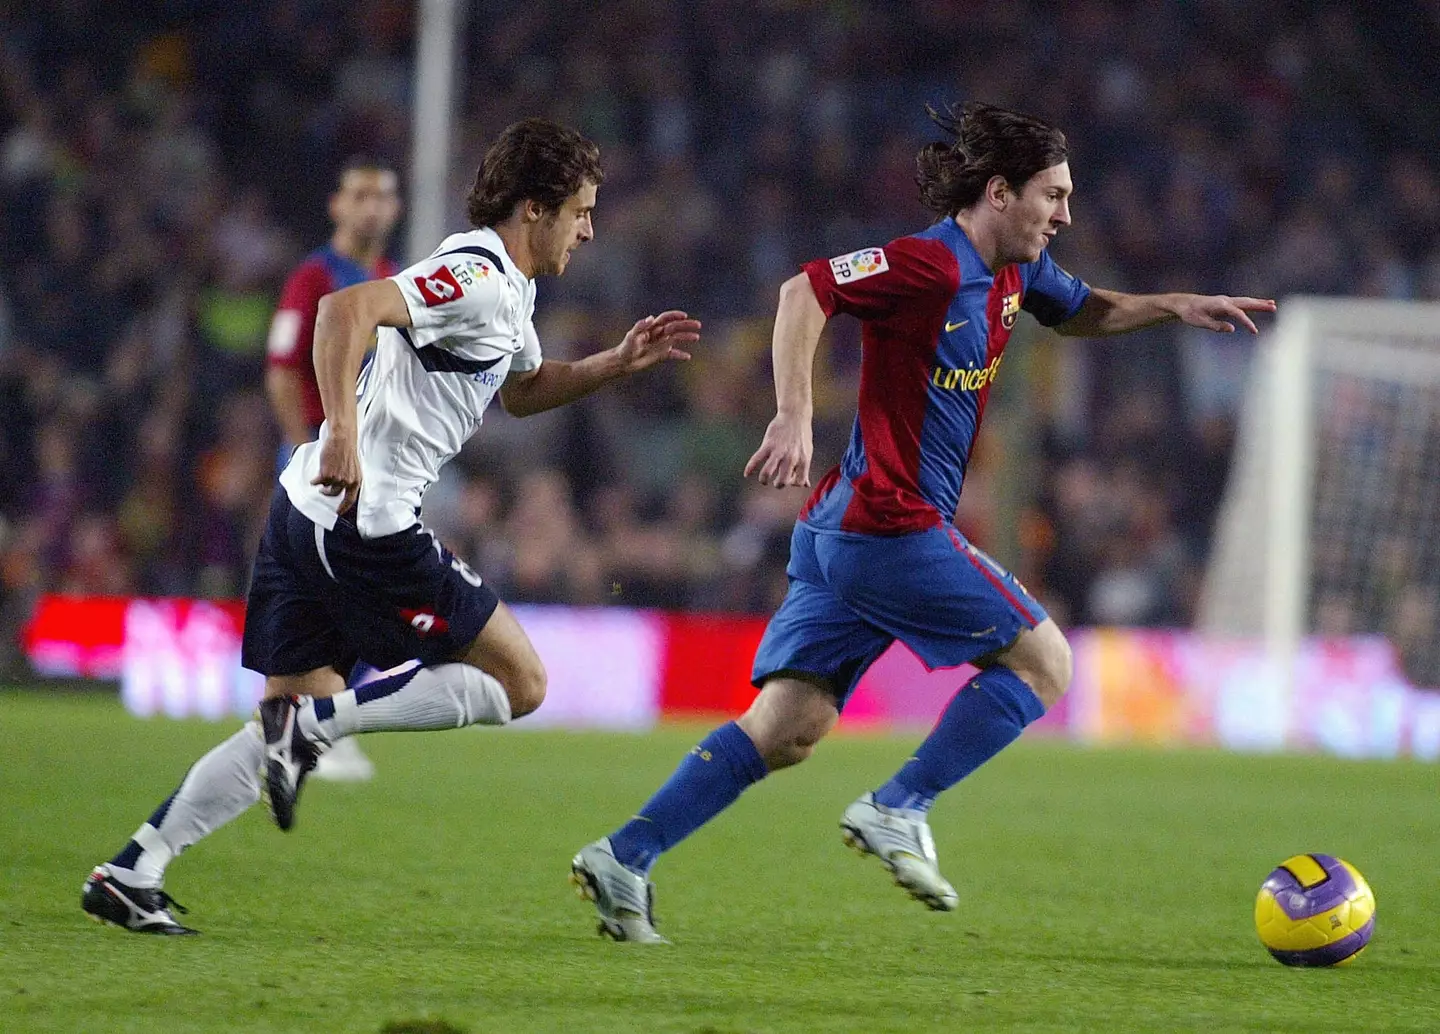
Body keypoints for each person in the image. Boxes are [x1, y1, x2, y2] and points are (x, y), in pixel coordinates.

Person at [570, 101, 1275, 943]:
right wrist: (793, 412)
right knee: (1045, 661)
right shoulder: (926, 265)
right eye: (1053, 196)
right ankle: (899, 806)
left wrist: (1175, 304)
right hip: (886, 526)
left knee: (789, 728)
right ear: (1001, 192)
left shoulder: (1018, 272)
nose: (1066, 215)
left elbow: (1085, 309)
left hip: (840, 533)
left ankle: (626, 855)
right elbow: (805, 291)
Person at [82, 118, 701, 934]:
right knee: (522, 683)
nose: (588, 229)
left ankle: (134, 869)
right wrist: (340, 427)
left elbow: (521, 388)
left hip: (300, 513)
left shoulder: (509, 289)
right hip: (362, 525)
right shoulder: (475, 275)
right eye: (579, 211)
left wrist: (613, 364)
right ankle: (321, 726)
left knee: (283, 715)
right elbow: (345, 311)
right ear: (533, 208)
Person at [265, 155, 403, 783]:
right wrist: (303, 446)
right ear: (337, 206)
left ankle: (306, 721)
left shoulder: (391, 277)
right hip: (324, 457)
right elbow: (281, 369)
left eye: (383, 196)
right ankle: (312, 722)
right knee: (341, 591)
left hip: (377, 464)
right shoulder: (313, 278)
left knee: (366, 594)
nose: (372, 206)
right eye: (360, 195)